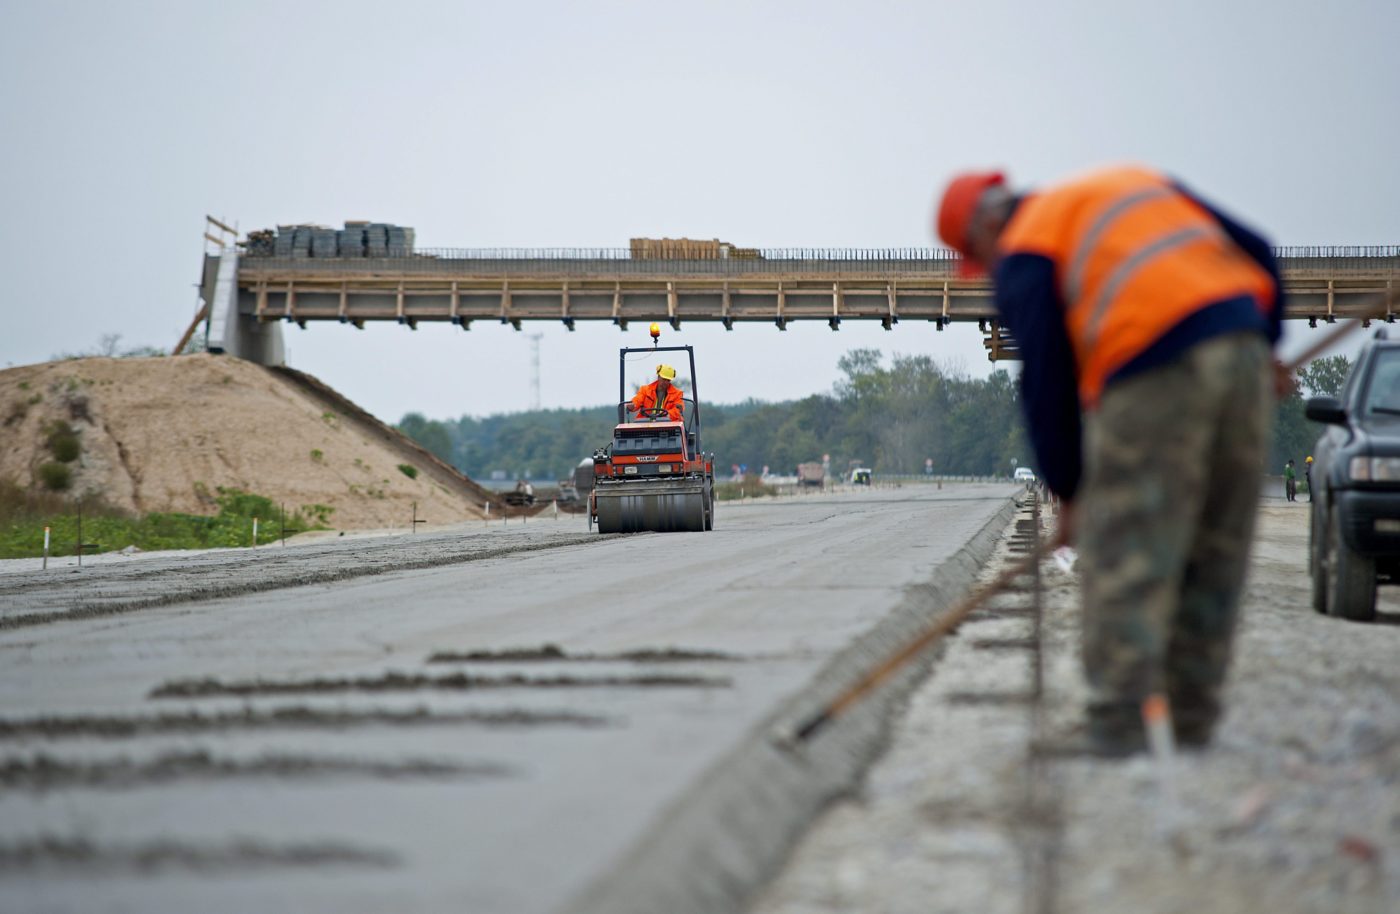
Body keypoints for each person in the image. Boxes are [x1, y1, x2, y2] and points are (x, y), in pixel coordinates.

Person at [937, 164, 1284, 755]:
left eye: (979, 258)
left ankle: (1120, 724)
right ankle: (1192, 721)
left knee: (1126, 548)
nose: (989, 270)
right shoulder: (1137, 183)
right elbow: (1260, 252)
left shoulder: (1027, 248)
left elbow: (1046, 378)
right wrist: (1266, 343)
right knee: (1216, 546)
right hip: (1242, 355)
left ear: (985, 230)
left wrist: (1070, 491)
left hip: (1153, 367)